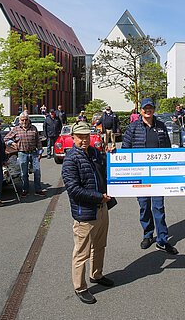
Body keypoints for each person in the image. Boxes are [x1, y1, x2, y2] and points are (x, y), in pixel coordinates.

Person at [62, 121, 116, 304]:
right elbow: (74, 190)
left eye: (86, 136)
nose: (84, 140)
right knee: (81, 253)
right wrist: (98, 197)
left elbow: (105, 169)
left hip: (102, 209)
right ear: (73, 138)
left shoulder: (94, 152)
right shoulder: (70, 159)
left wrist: (111, 156)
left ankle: (97, 275)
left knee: (100, 246)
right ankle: (80, 287)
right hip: (85, 212)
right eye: (80, 137)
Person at [122, 98, 178, 254]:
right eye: (145, 108)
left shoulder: (161, 126)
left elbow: (168, 150)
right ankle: (148, 234)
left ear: (154, 110)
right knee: (144, 206)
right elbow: (125, 150)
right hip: (140, 176)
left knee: (158, 207)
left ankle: (162, 240)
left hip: (158, 176)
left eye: (150, 108)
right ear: (140, 110)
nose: (148, 110)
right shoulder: (133, 127)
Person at [5, 112, 45, 197]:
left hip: (34, 153)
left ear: (28, 119)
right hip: (22, 153)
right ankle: (25, 190)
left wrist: (40, 152)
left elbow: (38, 140)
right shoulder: (16, 129)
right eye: (22, 120)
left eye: (26, 119)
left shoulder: (33, 128)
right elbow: (6, 138)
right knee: (24, 173)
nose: (24, 121)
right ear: (19, 120)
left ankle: (38, 190)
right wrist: (12, 143)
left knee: (37, 172)